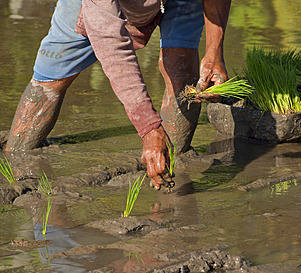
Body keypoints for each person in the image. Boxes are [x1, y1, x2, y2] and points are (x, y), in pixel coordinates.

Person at [5, 0, 231, 190]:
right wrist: (150, 128)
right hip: (92, 5)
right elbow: (115, 52)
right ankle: (17, 165)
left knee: (182, 72)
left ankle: (172, 170)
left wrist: (214, 52)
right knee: (51, 80)